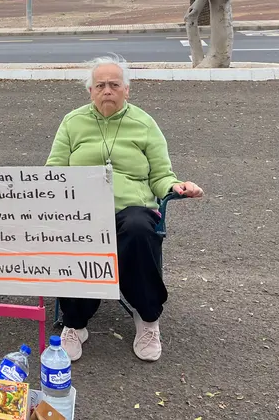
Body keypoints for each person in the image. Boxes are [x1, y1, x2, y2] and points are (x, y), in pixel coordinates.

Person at [45, 54, 203, 363]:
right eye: (100, 85)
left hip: (131, 209)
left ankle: (147, 318)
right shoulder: (73, 122)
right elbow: (55, 170)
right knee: (69, 231)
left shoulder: (144, 123)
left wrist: (175, 187)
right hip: (82, 208)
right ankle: (75, 323)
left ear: (126, 90)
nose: (107, 90)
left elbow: (160, 175)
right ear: (90, 91)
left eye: (114, 84)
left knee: (139, 228)